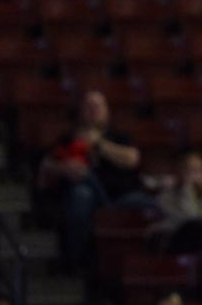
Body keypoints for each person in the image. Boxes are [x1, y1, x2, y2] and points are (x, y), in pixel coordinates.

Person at [37, 90, 143, 270]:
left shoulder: (119, 136)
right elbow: (44, 169)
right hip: (83, 197)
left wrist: (99, 144)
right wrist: (63, 168)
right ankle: (76, 264)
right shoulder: (67, 139)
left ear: (107, 111)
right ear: (80, 111)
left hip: (119, 196)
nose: (94, 110)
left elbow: (132, 159)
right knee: (81, 194)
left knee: (143, 203)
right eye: (89, 106)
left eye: (98, 106)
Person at [151, 150, 202, 253]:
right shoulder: (168, 195)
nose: (194, 175)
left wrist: (189, 189)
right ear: (181, 172)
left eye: (198, 170)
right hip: (176, 240)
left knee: (199, 229)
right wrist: (187, 188)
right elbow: (185, 220)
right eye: (189, 170)